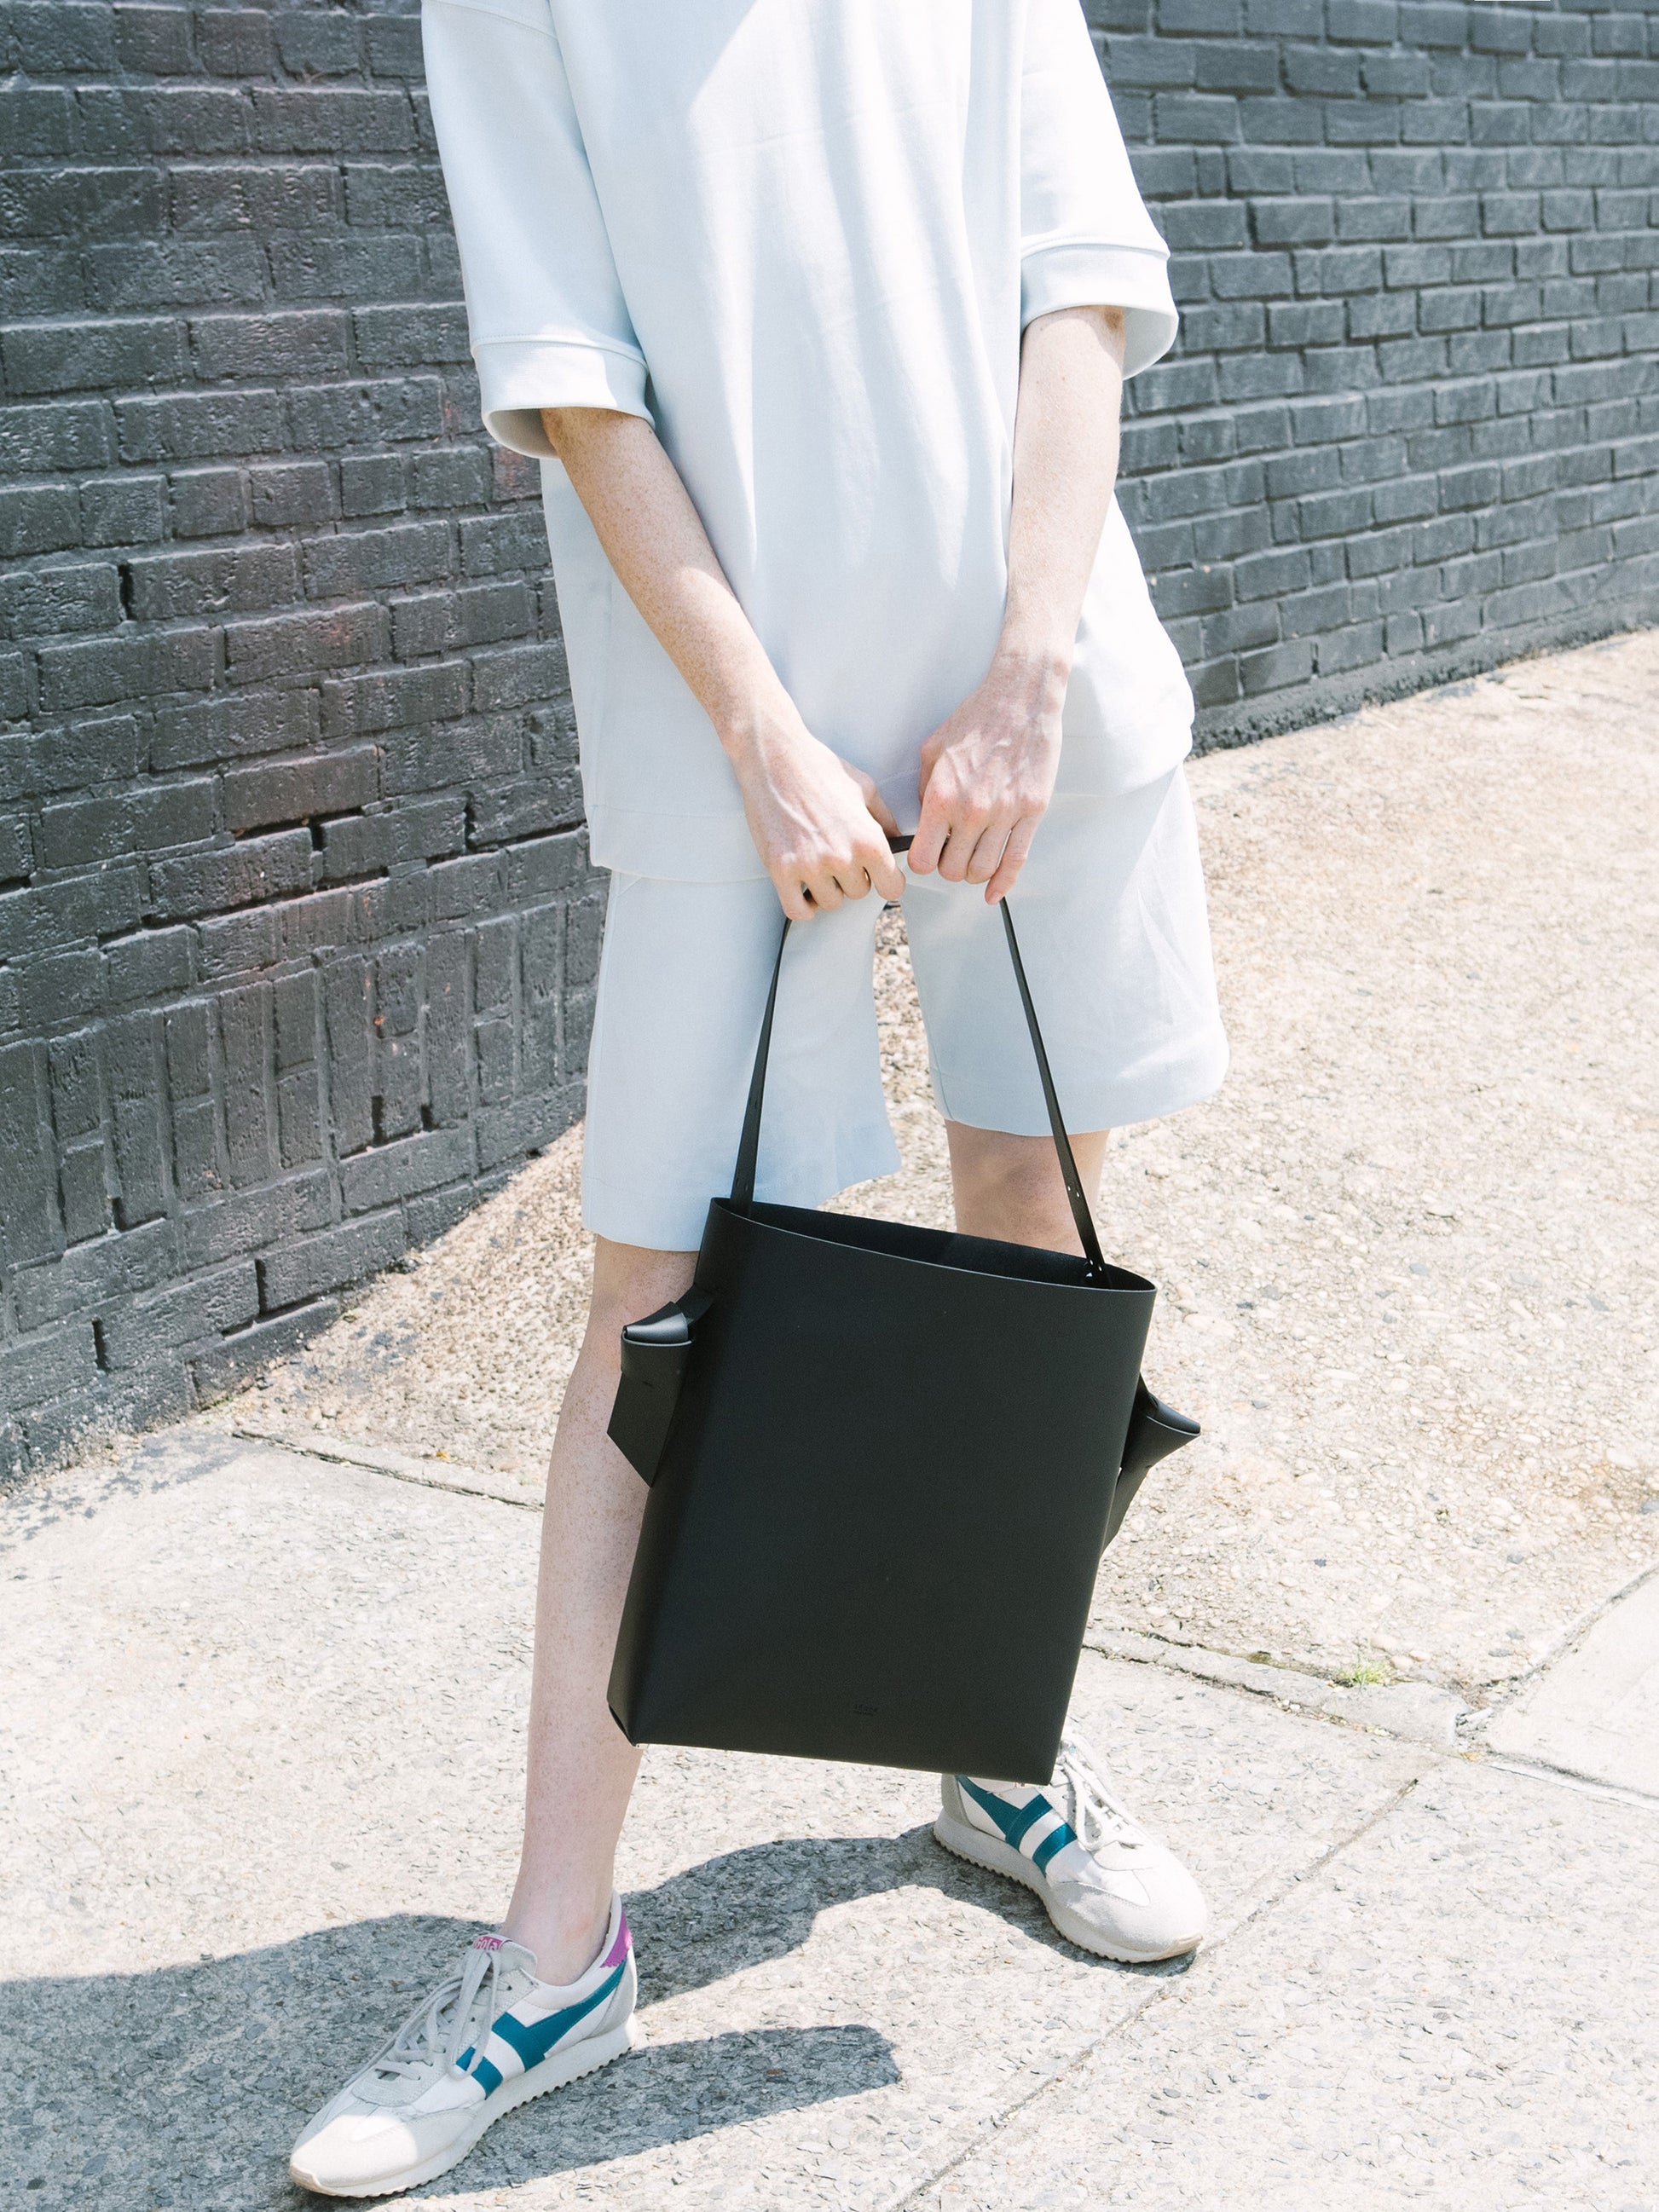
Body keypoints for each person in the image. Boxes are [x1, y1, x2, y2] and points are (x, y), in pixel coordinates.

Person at [289, 0, 1228, 2195]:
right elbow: (567, 374)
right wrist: (758, 726)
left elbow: (1072, 294)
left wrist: (1024, 672)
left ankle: (998, 1755)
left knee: (1025, 1224)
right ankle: (551, 1951)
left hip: (1038, 684)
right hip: (732, 738)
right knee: (647, 1298)